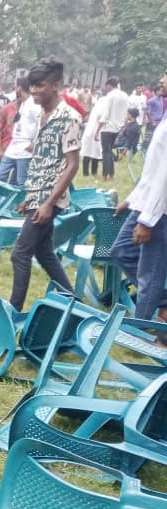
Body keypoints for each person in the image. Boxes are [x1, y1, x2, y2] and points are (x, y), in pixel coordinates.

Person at [8, 57, 80, 312]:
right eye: (33, 86)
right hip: (37, 195)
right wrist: (30, 197)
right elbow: (43, 159)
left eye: (40, 85)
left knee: (20, 252)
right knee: (44, 253)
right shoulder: (42, 114)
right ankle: (74, 302)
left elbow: (72, 164)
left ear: (56, 85)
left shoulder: (69, 117)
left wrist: (48, 202)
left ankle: (14, 310)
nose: (35, 91)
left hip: (52, 198)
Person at [111, 77, 167, 325]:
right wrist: (133, 199)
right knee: (121, 251)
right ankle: (163, 301)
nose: (162, 80)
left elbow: (165, 177)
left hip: (158, 211)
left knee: (149, 274)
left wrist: (147, 220)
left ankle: (139, 329)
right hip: (145, 201)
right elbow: (152, 170)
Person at [0, 78, 39, 187]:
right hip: (13, 146)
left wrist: (35, 142)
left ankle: (20, 203)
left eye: (16, 87)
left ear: (19, 88)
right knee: (0, 176)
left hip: (25, 147)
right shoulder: (23, 104)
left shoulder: (34, 105)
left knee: (21, 181)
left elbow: (41, 123)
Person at [92, 77, 130, 181]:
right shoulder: (125, 95)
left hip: (107, 127)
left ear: (109, 85)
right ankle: (112, 174)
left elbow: (105, 114)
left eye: (106, 85)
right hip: (118, 127)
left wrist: (97, 131)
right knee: (110, 151)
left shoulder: (110, 96)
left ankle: (105, 175)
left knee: (106, 152)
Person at [143, 83, 164, 152]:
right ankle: (144, 150)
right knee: (148, 138)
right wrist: (153, 122)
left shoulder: (161, 99)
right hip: (152, 122)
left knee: (157, 138)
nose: (162, 92)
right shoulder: (152, 100)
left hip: (159, 122)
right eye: (161, 91)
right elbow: (148, 112)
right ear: (156, 91)